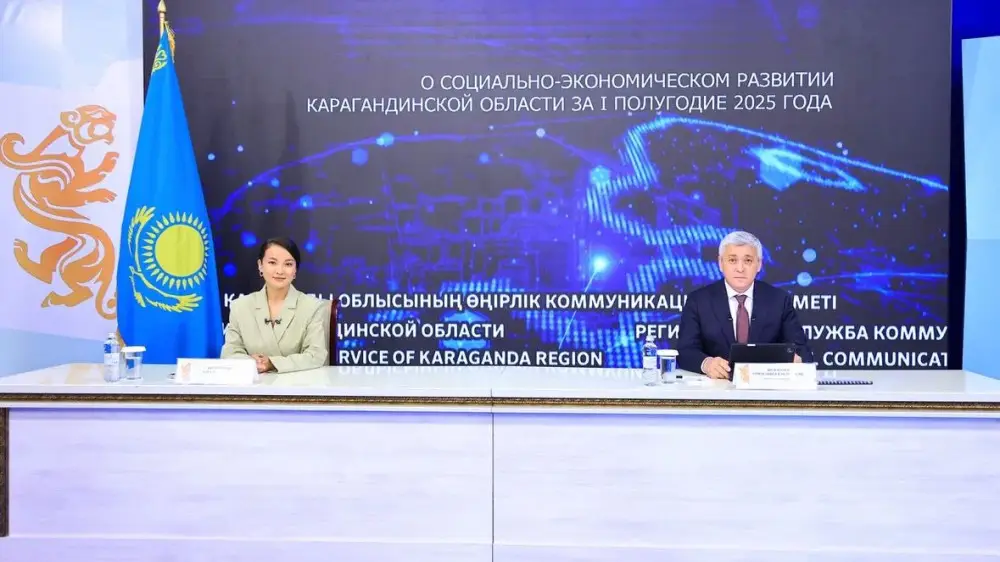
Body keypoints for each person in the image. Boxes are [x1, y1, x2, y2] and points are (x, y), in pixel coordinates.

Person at [676, 231, 813, 379]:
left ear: (759, 264)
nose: (740, 268)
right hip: (716, 387)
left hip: (765, 386)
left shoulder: (779, 300)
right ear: (721, 263)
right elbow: (685, 351)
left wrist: (797, 361)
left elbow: (801, 351)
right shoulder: (698, 300)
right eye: (732, 260)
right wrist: (707, 364)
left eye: (748, 261)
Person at [221, 237, 329, 373]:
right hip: (253, 382)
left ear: (295, 270)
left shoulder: (312, 307)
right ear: (260, 265)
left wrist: (272, 363)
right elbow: (229, 353)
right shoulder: (240, 307)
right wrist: (251, 363)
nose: (280, 271)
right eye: (272, 262)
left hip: (297, 383)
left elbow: (315, 356)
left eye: (288, 264)